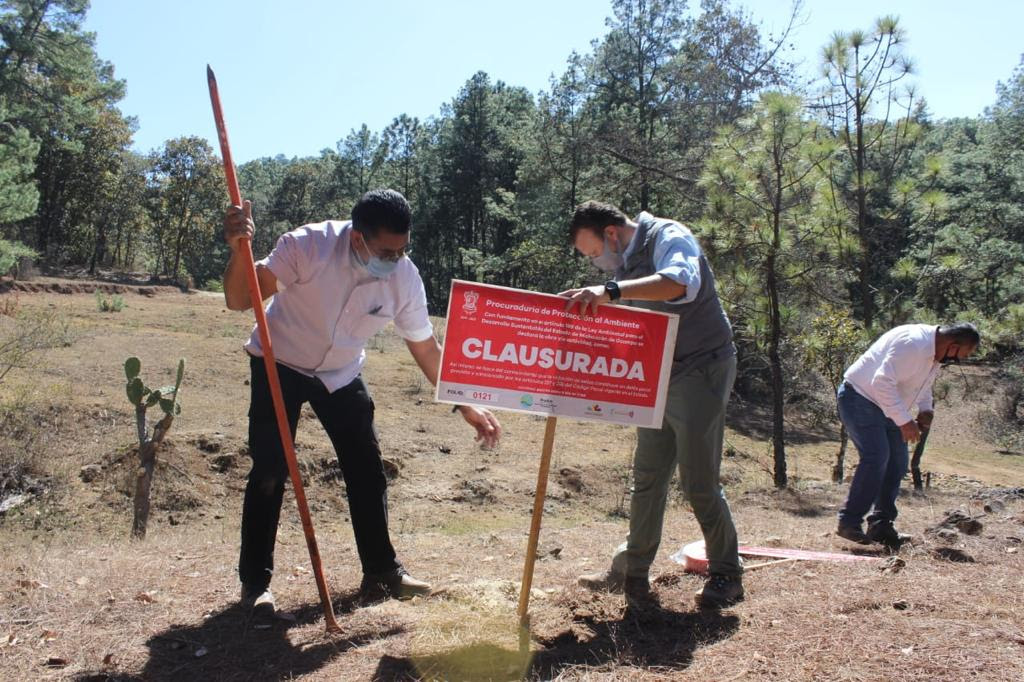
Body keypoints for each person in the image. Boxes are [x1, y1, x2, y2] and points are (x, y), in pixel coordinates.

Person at [222, 189, 502, 613]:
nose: (395, 260)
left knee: (368, 472)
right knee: (270, 471)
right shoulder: (307, 245)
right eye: (387, 251)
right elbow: (239, 298)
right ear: (357, 238)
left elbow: (426, 347)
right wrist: (236, 250)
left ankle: (382, 573)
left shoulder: (404, 277)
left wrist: (464, 402)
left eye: (403, 249)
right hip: (279, 361)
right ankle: (255, 586)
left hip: (340, 373)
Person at [559, 200, 743, 609]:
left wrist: (609, 292)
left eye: (594, 253)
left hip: (701, 369)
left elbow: (678, 283)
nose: (598, 266)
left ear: (611, 233)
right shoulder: (624, 265)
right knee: (647, 476)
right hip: (657, 373)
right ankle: (632, 570)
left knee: (698, 480)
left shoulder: (668, 235)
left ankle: (727, 574)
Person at [836, 322, 979, 549]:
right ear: (952, 345)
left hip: (888, 405)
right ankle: (849, 522)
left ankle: (881, 525)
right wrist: (904, 420)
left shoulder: (934, 351)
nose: (958, 360)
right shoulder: (913, 344)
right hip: (860, 398)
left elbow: (923, 384)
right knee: (876, 457)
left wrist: (925, 409)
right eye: (960, 355)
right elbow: (881, 382)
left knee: (897, 463)